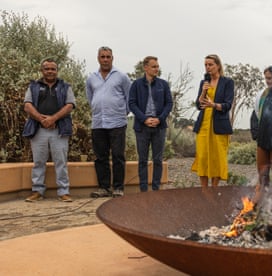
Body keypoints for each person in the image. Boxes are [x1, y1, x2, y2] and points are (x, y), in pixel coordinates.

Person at [23, 58, 75, 202]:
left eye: (53, 69)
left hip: (59, 130)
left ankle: (63, 192)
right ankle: (37, 191)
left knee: (61, 161)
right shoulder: (33, 86)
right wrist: (43, 120)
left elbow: (70, 105)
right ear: (42, 70)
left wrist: (53, 119)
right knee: (39, 162)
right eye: (47, 69)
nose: (50, 71)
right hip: (38, 129)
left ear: (57, 71)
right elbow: (27, 105)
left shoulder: (65, 86)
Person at [86, 46, 131, 197]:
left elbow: (129, 97)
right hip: (98, 123)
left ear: (113, 58)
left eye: (108, 57)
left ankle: (118, 188)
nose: (105, 59)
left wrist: (122, 113)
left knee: (118, 156)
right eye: (102, 57)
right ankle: (104, 188)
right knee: (100, 157)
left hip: (117, 122)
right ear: (98, 58)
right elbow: (90, 97)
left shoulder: (121, 76)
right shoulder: (91, 78)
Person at [128, 56, 173, 192]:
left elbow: (169, 103)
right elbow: (132, 103)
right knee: (142, 160)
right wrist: (144, 119)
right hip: (142, 127)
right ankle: (143, 191)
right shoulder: (136, 84)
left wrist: (160, 118)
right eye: (154, 66)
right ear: (145, 68)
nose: (156, 69)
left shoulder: (163, 84)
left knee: (158, 159)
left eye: (157, 66)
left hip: (159, 127)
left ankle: (156, 189)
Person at [191, 54, 234, 188]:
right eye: (206, 65)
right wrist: (203, 92)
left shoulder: (227, 82)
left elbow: (227, 105)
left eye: (210, 65)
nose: (208, 67)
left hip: (219, 125)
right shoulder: (204, 82)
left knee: (217, 158)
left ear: (218, 66)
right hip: (203, 124)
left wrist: (214, 105)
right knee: (202, 157)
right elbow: (199, 105)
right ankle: (204, 190)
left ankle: (214, 189)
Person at [253, 65, 272, 187]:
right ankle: (264, 198)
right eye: (265, 78)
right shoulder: (263, 95)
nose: (267, 81)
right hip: (263, 138)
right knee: (262, 172)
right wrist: (256, 134)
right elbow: (255, 114)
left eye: (270, 78)